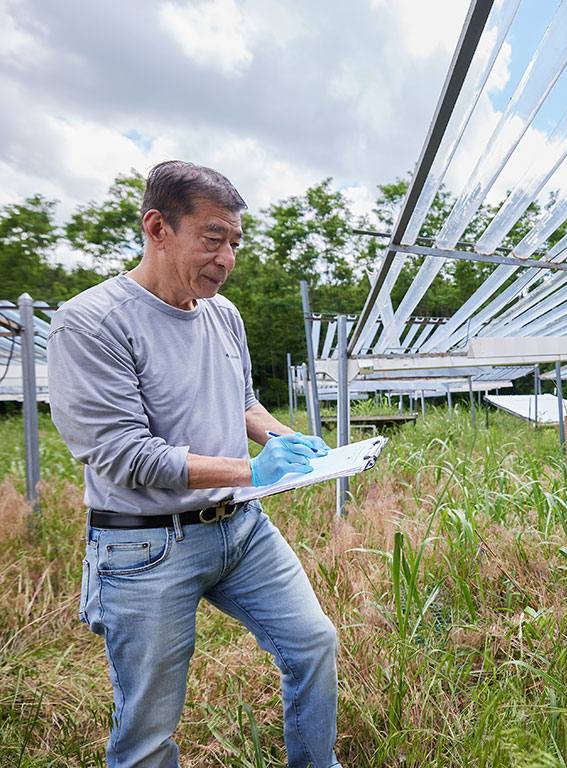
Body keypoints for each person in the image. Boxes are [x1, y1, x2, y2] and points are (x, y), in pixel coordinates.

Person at [48, 161, 341, 768]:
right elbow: (122, 453)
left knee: (313, 643)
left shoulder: (222, 314)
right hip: (145, 549)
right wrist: (253, 472)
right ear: (158, 226)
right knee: (149, 726)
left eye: (234, 241)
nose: (227, 257)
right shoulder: (92, 322)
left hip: (240, 528)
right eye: (212, 238)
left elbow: (240, 402)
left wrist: (292, 442)